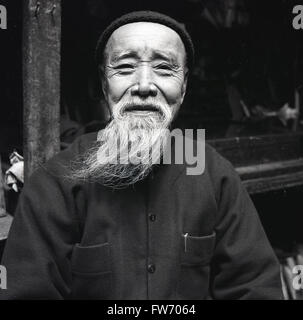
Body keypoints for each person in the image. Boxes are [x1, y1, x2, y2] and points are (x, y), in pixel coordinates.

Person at [0, 11, 283, 300]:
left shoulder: (214, 174)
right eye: (124, 67)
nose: (144, 86)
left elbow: (255, 288)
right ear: (103, 82)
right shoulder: (56, 181)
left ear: (183, 87)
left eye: (163, 68)